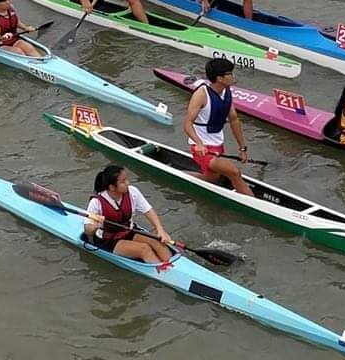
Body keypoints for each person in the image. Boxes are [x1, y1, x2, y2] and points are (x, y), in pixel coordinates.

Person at [82, 162, 178, 265]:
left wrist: (160, 230)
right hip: (108, 240)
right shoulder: (96, 202)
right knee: (144, 249)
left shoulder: (132, 192)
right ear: (112, 187)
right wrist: (95, 225)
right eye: (123, 182)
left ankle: (174, 267)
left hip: (129, 230)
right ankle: (164, 272)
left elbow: (148, 211)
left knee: (156, 242)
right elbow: (88, 230)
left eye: (126, 179)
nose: (128, 183)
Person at [184, 56, 250, 195]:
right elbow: (188, 124)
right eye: (230, 73)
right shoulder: (201, 95)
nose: (233, 76)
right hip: (201, 147)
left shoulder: (227, 92)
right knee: (234, 172)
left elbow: (234, 120)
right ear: (220, 78)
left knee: (211, 179)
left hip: (217, 144)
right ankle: (257, 205)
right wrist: (199, 143)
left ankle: (180, 175)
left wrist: (242, 148)